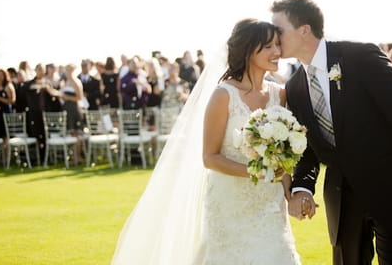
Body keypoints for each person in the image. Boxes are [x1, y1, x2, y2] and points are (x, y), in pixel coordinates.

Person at [111, 19, 301, 264]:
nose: (277, 52)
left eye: (277, 44)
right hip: (231, 202)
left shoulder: (280, 94)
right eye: (268, 46)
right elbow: (209, 157)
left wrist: (286, 180)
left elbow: (282, 153)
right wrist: (255, 172)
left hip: (270, 206)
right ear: (247, 50)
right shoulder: (224, 95)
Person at [271, 0, 392, 265]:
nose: (273, 37)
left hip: (390, 188)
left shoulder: (360, 56)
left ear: (304, 29)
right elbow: (306, 146)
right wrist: (302, 187)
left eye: (278, 30)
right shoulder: (294, 87)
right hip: (341, 197)